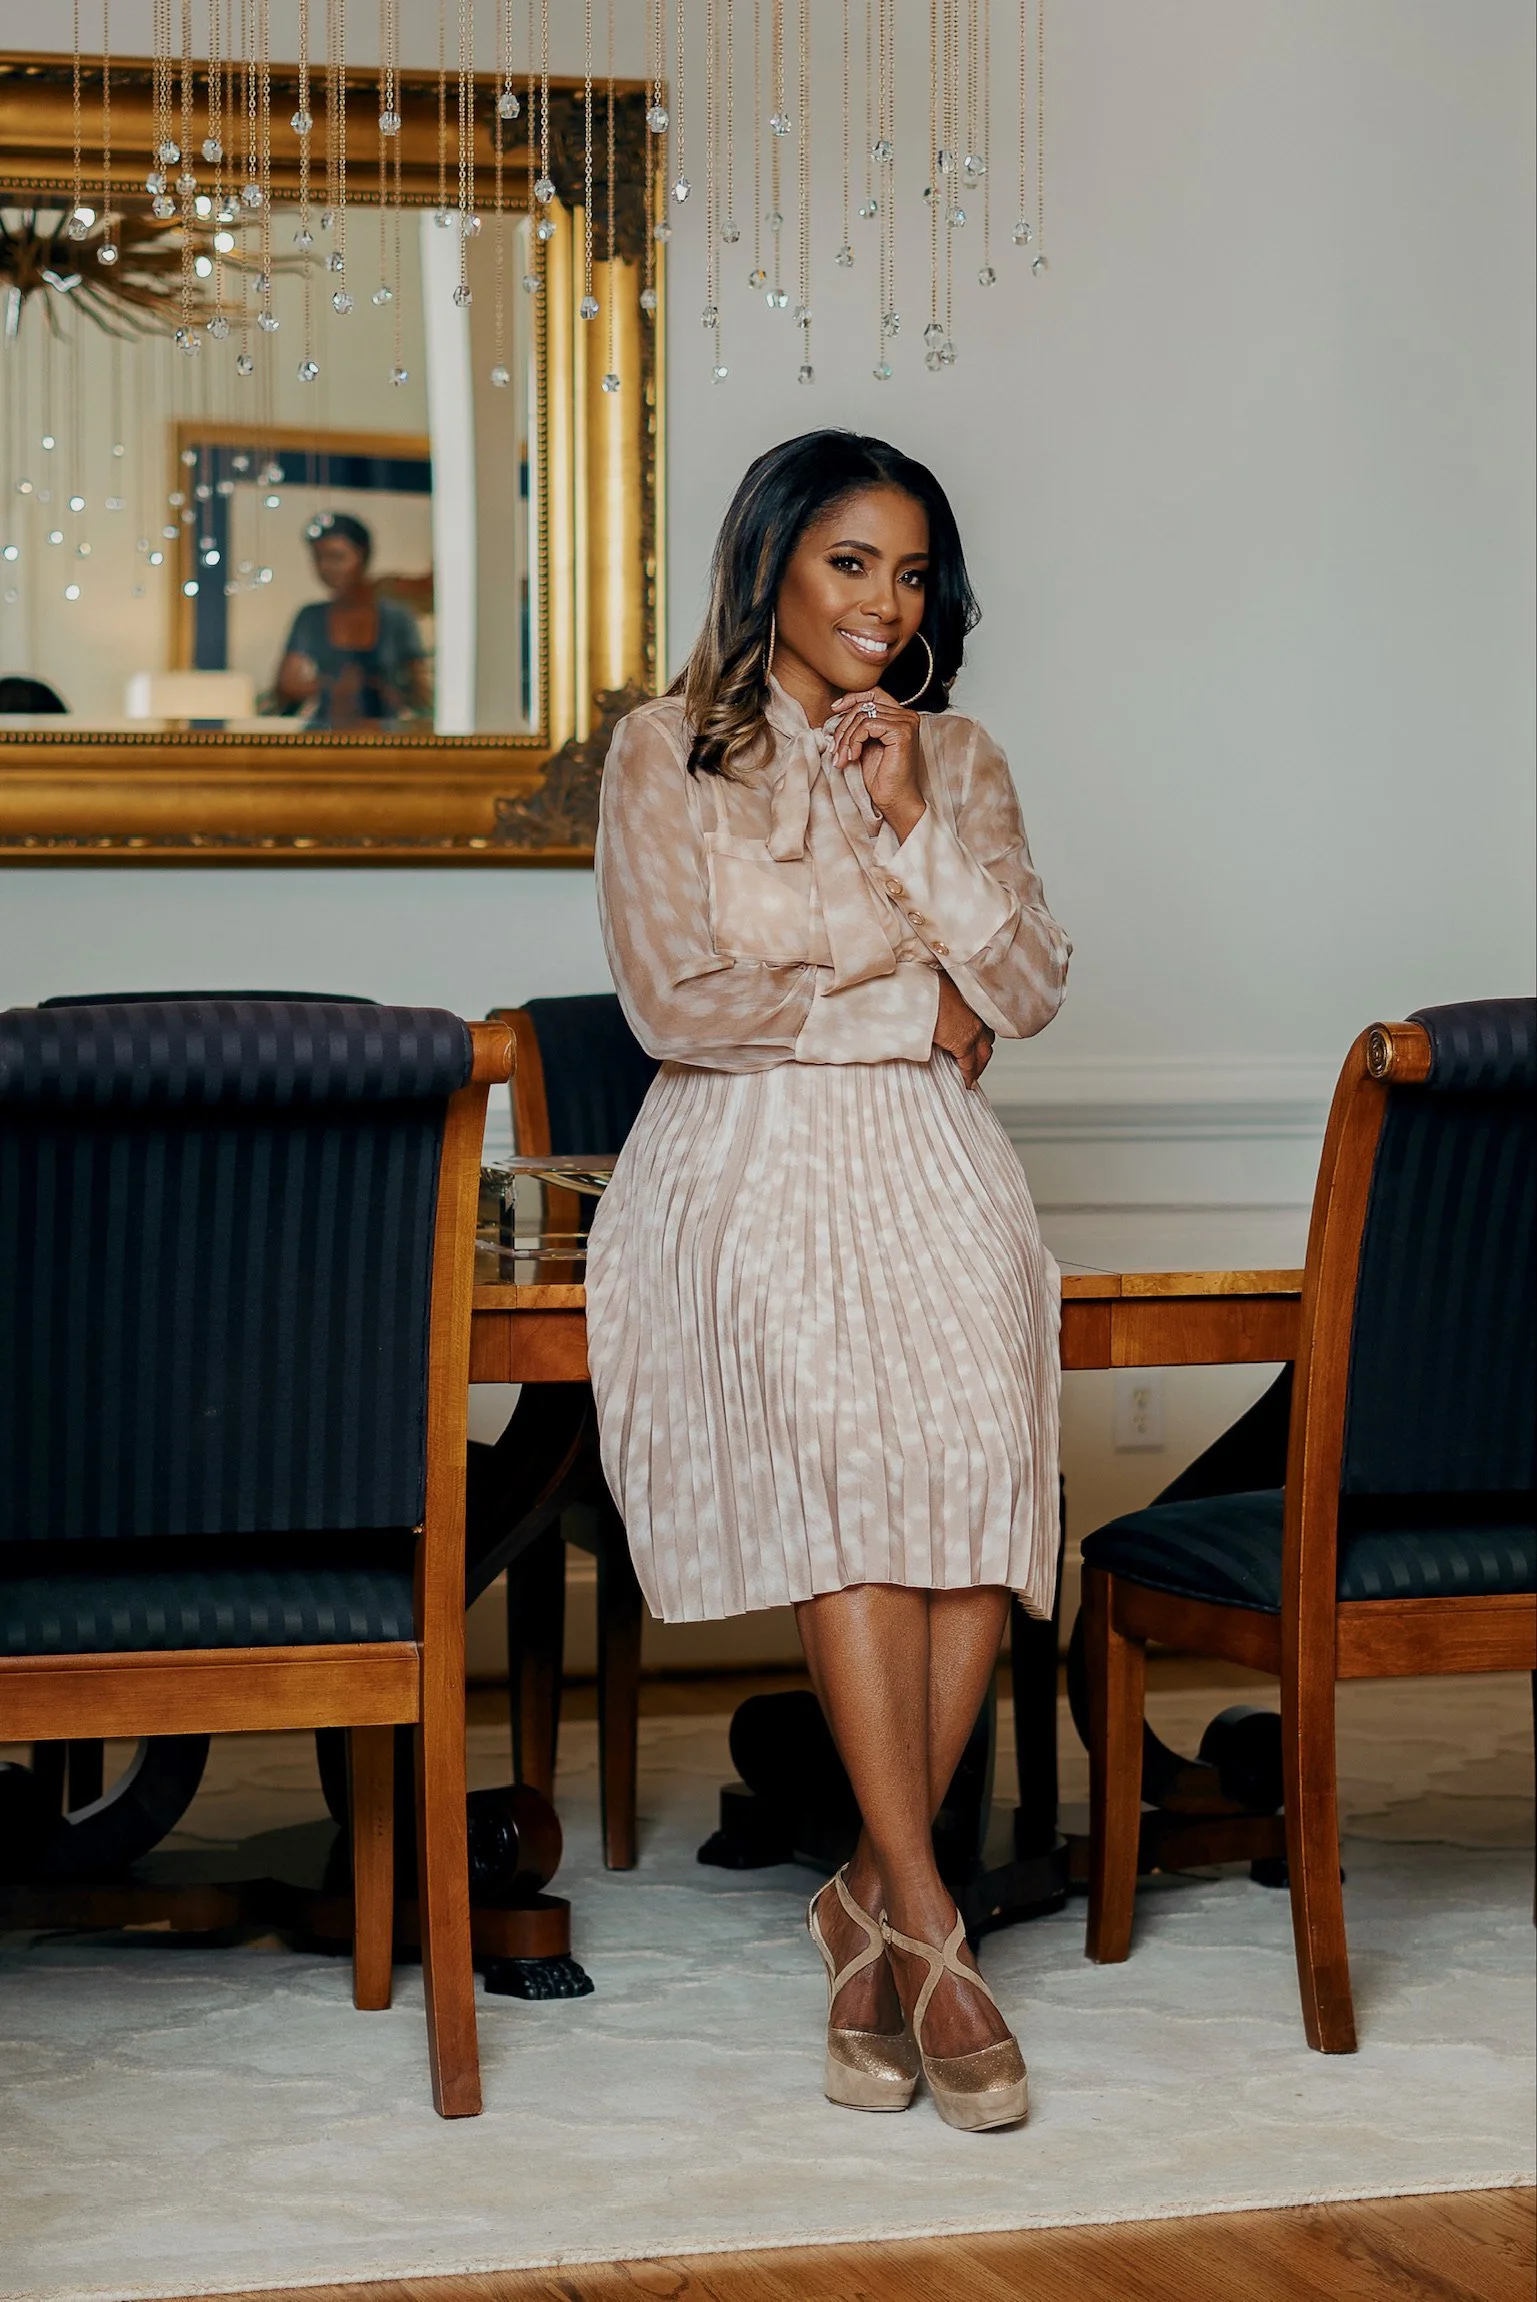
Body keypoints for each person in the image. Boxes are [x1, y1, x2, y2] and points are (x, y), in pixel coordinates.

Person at [586, 429, 1070, 2133]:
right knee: (857, 1482)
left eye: (911, 570)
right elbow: (675, 1002)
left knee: (965, 1495)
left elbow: (1018, 984)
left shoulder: (956, 755)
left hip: (932, 1170)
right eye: (851, 561)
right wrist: (892, 1011)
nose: (884, 600)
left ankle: (869, 1904)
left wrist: (912, 826)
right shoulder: (667, 750)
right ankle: (932, 1926)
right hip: (744, 1159)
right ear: (775, 563)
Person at [269, 512, 429, 729]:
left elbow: (422, 695)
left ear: (362, 556)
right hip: (325, 730)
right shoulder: (310, 616)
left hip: (384, 736)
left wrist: (384, 689)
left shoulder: (396, 618)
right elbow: (286, 685)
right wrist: (332, 686)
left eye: (336, 557)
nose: (325, 567)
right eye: (318, 558)